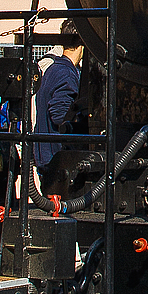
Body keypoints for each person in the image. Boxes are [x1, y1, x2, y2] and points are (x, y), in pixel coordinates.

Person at [33, 19, 85, 186]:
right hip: (57, 163)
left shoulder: (53, 69)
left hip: (48, 158)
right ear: (82, 42)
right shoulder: (67, 74)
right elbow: (59, 117)